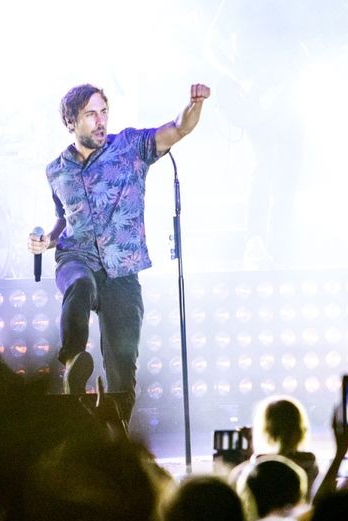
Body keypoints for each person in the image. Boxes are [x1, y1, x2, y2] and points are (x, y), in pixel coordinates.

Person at [28, 83, 211, 424]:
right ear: (71, 122)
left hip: (122, 272)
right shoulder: (56, 170)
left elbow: (178, 128)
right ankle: (72, 361)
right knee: (80, 286)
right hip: (76, 258)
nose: (100, 121)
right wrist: (47, 240)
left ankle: (115, 438)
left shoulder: (129, 147)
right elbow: (62, 219)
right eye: (90, 115)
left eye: (103, 112)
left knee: (122, 373)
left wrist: (194, 104)